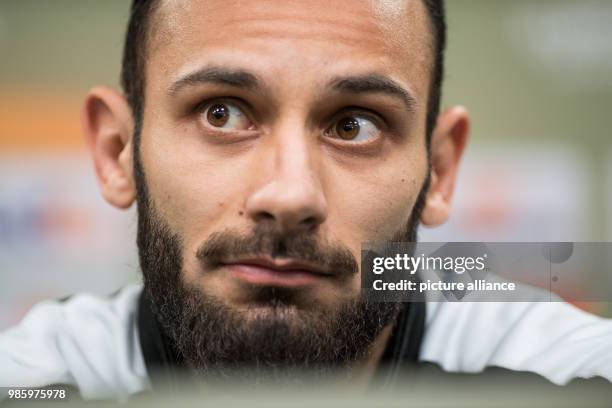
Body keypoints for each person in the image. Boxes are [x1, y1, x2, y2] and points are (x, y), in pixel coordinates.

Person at [1, 0, 611, 402]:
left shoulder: (560, 373)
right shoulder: (36, 380)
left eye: (355, 125)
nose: (290, 195)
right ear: (116, 152)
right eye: (222, 113)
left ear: (441, 169)